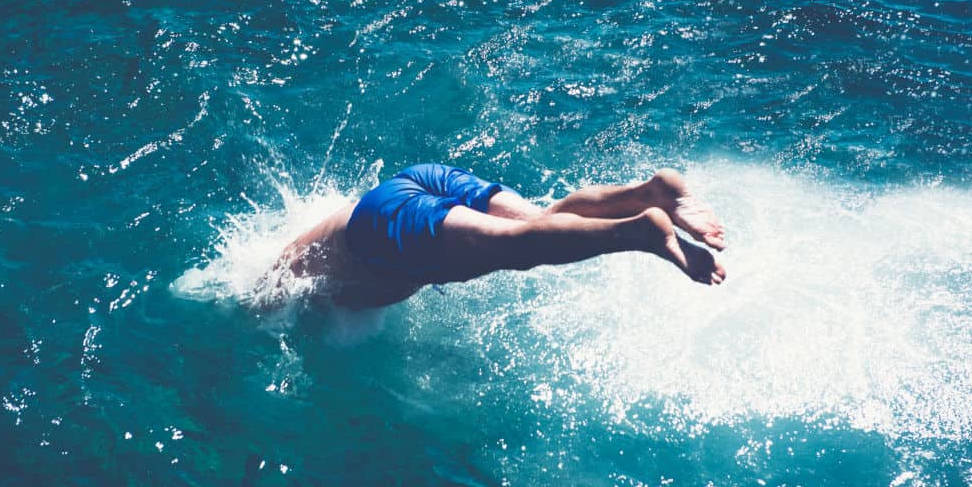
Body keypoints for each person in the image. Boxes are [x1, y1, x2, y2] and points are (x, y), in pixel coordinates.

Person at [273, 163, 726, 309]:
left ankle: (639, 232)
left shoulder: (280, 284)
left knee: (518, 248)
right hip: (419, 182)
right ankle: (651, 192)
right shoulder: (309, 242)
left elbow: (273, 300)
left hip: (380, 233)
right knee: (539, 222)